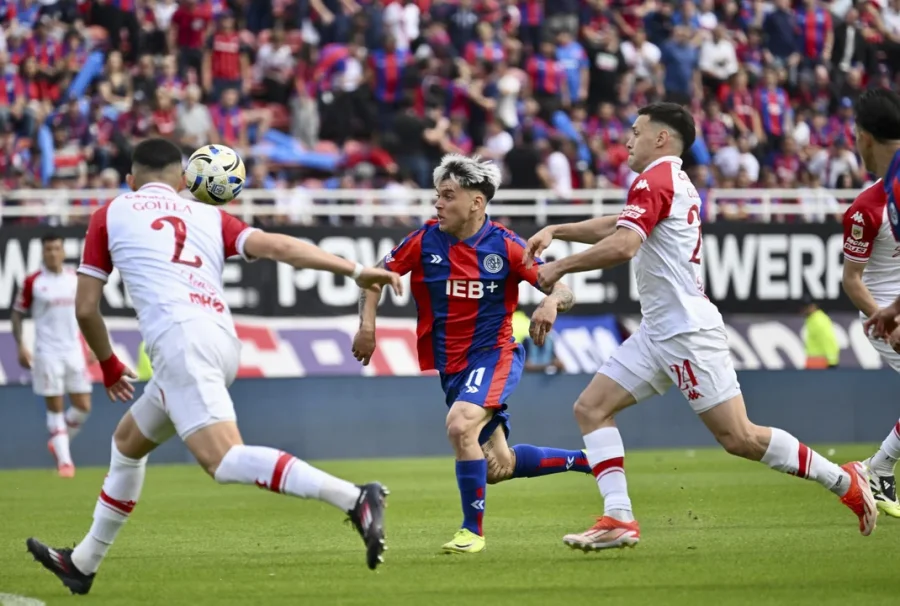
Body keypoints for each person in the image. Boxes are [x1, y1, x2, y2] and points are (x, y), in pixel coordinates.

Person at [26, 138, 404, 595]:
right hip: (219, 340)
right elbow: (277, 245)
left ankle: (355, 498)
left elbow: (86, 308)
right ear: (183, 180)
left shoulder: (110, 214)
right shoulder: (209, 214)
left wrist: (107, 363)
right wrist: (355, 270)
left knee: (223, 460)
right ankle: (82, 562)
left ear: (130, 180)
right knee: (127, 442)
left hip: (181, 343)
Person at [523, 102, 876, 551]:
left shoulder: (655, 179)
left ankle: (842, 480)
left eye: (636, 131)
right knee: (590, 408)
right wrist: (559, 229)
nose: (627, 140)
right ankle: (619, 518)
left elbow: (625, 245)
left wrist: (560, 268)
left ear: (661, 138)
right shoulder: (670, 181)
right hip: (658, 330)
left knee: (740, 437)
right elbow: (618, 224)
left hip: (687, 331)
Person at [352, 154, 590, 554]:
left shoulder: (509, 247)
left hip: (493, 355)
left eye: (448, 196)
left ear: (476, 203)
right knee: (498, 467)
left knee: (461, 424)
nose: (438, 204)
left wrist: (551, 304)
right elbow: (373, 277)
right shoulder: (424, 240)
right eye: (437, 196)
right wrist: (367, 326)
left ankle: (471, 532)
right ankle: (587, 460)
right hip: (452, 367)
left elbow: (561, 287)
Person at [845, 88, 900, 519]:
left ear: (862, 137)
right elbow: (852, 280)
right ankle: (879, 466)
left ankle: (878, 466)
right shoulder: (866, 209)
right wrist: (888, 318)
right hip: (885, 317)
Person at [12, 233, 94, 478]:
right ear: (43, 253)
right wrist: (20, 346)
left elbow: (85, 313)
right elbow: (17, 315)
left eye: (56, 248)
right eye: (48, 249)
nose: (52, 253)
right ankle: (65, 462)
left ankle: (58, 441)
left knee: (83, 406)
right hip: (47, 353)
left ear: (63, 251)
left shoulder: (74, 279)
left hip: (73, 351)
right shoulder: (33, 282)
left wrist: (89, 344)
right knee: (55, 409)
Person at [800, 295, 839, 369]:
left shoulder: (819, 320)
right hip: (813, 362)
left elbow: (828, 340)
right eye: (803, 307)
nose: (803, 309)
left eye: (806, 307)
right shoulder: (811, 319)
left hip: (819, 363)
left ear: (813, 306)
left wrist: (832, 362)